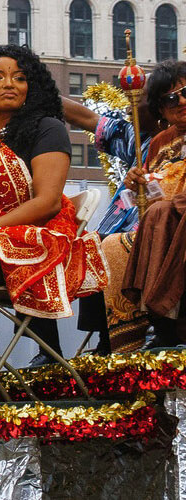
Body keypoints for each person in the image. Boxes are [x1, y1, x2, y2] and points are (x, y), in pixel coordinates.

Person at [0, 45, 108, 362]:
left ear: (32, 86)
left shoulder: (47, 128)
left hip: (36, 238)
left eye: (20, 77)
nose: (9, 84)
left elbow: (48, 203)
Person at [122, 60, 186, 348]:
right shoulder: (160, 142)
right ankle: (118, 339)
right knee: (108, 244)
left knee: (163, 214)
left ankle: (165, 326)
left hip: (176, 217)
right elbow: (148, 197)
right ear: (161, 110)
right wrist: (138, 182)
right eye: (171, 98)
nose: (182, 101)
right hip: (164, 219)